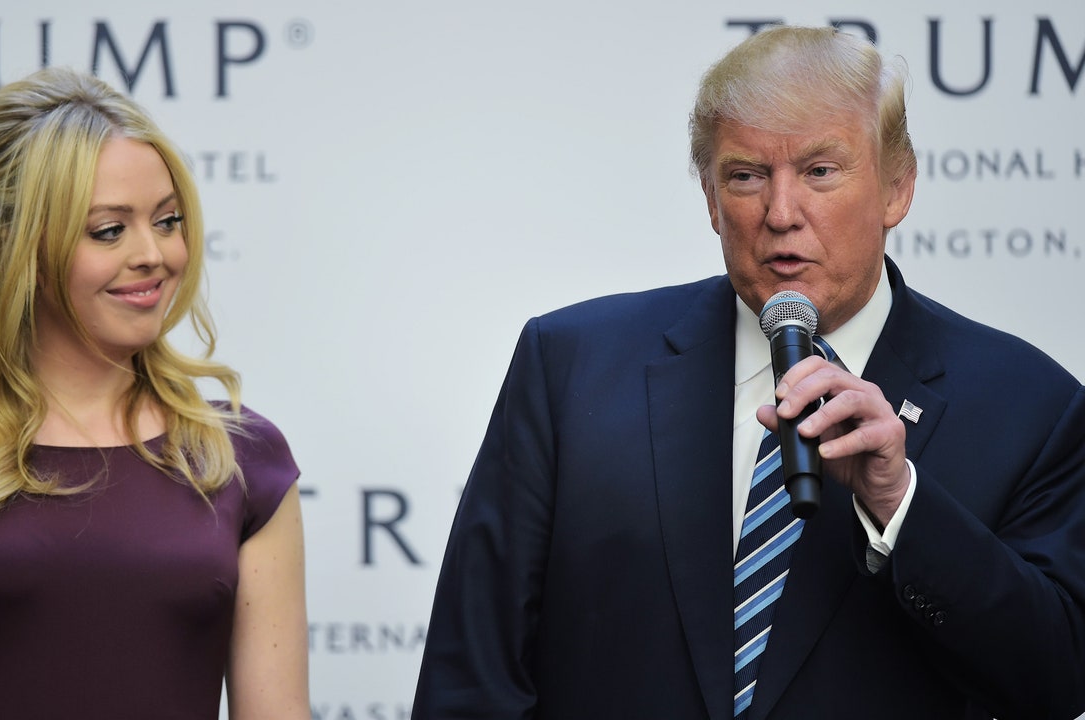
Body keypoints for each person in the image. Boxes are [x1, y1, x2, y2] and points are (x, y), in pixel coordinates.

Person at [412, 25, 1085, 720]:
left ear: (897, 187)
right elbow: (471, 680)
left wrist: (900, 505)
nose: (781, 214)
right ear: (710, 198)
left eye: (820, 171)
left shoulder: (1029, 409)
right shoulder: (571, 366)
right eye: (746, 176)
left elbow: (1055, 680)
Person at [0, 67, 309, 719]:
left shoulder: (243, 459)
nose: (154, 253)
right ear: (22, 247)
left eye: (168, 221)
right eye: (108, 230)